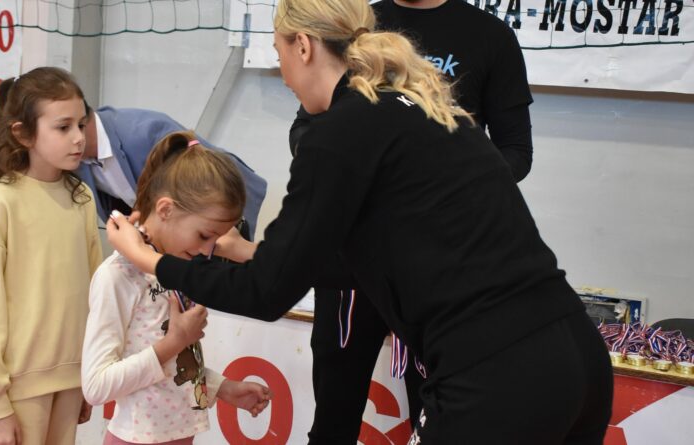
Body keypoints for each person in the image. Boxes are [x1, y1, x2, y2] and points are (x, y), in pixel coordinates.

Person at [106, 0, 613, 443]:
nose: (283, 75)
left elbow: (265, 293)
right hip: (579, 357)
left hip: (497, 374)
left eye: (280, 55)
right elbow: (367, 262)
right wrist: (250, 251)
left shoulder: (337, 131)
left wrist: (150, 260)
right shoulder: (427, 109)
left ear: (303, 46)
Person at [288, 0, 536, 440]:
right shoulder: (357, 20)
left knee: (436, 410)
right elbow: (306, 128)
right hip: (354, 258)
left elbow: (516, 150)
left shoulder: (490, 36)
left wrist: (447, 187)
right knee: (334, 410)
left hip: (435, 262)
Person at [82, 131, 271, 445]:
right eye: (204, 236)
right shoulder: (117, 276)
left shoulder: (178, 268)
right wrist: (175, 341)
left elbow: (172, 365)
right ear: (166, 210)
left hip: (181, 434)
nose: (209, 250)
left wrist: (222, 387)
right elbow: (96, 385)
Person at [0, 67, 103, 445]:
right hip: (16, 388)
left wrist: (88, 374)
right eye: (63, 127)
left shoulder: (81, 199)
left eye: (81, 124)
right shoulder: (1, 201)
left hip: (70, 380)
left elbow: (94, 292)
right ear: (23, 133)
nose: (78, 138)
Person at [74, 104, 267, 239]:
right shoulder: (75, 161)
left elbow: (205, 197)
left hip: (218, 207)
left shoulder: (145, 132)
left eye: (64, 127)